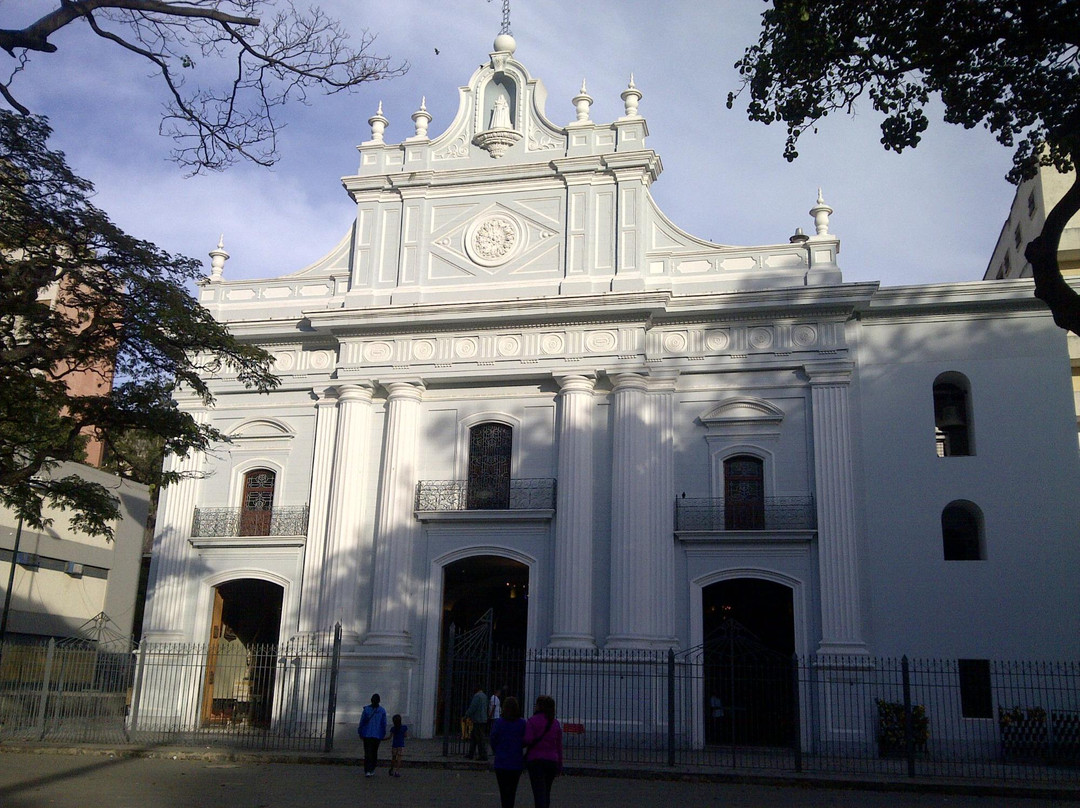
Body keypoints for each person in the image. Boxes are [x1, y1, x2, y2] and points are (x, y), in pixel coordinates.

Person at [523, 694, 562, 808]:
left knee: (538, 792)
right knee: (547, 791)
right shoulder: (555, 723)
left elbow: (527, 739)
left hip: (536, 760)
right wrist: (559, 764)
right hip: (552, 760)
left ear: (539, 706)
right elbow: (558, 746)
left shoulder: (532, 721)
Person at [489, 696, 526, 808]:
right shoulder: (522, 723)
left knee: (503, 791)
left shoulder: (499, 723)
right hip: (516, 762)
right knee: (512, 791)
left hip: (501, 761)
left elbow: (493, 739)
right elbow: (526, 740)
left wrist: (497, 750)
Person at [357, 693, 388, 777]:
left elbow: (362, 721)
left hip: (367, 734)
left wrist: (360, 731)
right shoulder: (382, 711)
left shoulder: (366, 710)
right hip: (377, 734)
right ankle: (372, 769)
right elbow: (383, 723)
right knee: (374, 752)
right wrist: (383, 733)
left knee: (367, 752)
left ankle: (367, 770)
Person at [463, 684, 488, 760]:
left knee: (479, 739)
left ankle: (483, 755)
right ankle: (471, 753)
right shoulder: (484, 696)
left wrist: (466, 715)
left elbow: (472, 707)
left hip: (478, 720)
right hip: (483, 719)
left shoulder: (477, 696)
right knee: (474, 737)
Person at [387, 713, 408, 777]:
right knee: (399, 758)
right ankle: (397, 771)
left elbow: (390, 737)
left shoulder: (393, 728)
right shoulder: (404, 727)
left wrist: (382, 739)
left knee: (393, 758)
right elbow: (405, 735)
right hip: (401, 745)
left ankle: (391, 769)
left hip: (394, 745)